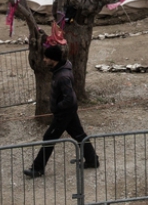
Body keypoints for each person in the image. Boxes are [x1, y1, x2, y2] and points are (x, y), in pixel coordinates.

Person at [24, 45, 99, 177]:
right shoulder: (60, 70)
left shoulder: (62, 76)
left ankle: (37, 168)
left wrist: (57, 108)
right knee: (79, 135)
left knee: (49, 138)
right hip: (68, 111)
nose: (44, 60)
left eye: (47, 57)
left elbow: (68, 98)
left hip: (64, 113)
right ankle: (92, 160)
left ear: (54, 59)